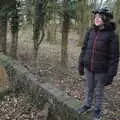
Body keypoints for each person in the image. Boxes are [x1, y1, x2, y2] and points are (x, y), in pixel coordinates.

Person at [78, 8, 119, 120]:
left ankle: (97, 110)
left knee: (98, 91)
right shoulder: (90, 31)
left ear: (106, 19)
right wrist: (81, 64)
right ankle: (87, 105)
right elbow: (84, 48)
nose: (96, 19)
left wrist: (111, 74)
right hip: (88, 67)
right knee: (88, 88)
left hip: (101, 70)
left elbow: (114, 57)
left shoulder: (112, 36)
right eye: (95, 17)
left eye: (99, 17)